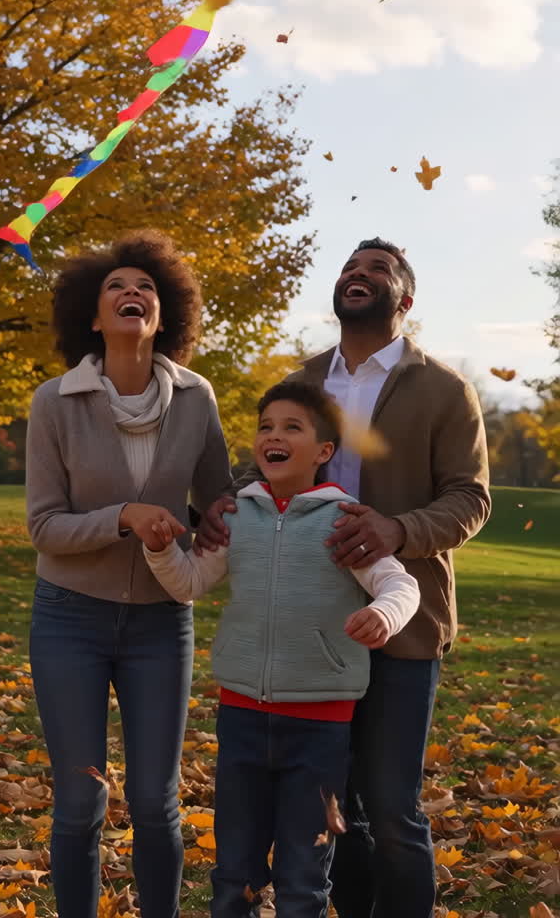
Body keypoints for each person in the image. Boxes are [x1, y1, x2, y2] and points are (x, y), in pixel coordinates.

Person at [198, 237, 491, 918]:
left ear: (405, 299)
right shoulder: (305, 380)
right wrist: (228, 499)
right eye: (350, 269)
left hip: (403, 619)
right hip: (310, 631)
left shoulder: (444, 389)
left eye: (377, 269)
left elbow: (470, 498)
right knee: (337, 814)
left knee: (391, 810)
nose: (358, 276)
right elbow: (271, 462)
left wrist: (397, 530)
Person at [143, 379, 420, 918]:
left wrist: (383, 614)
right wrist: (160, 551)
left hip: (320, 728)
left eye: (292, 427)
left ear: (323, 452)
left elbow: (400, 584)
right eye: (266, 426)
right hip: (242, 718)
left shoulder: (343, 522)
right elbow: (189, 583)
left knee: (302, 877)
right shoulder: (237, 518)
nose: (274, 435)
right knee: (233, 875)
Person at [26, 230, 233, 918]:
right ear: (92, 315)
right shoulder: (54, 401)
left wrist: (238, 512)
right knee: (81, 799)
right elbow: (44, 526)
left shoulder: (197, 398)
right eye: (116, 286)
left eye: (145, 286)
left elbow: (215, 503)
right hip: (69, 618)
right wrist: (125, 516)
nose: (131, 293)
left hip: (160, 621)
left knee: (155, 801)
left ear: (164, 312)